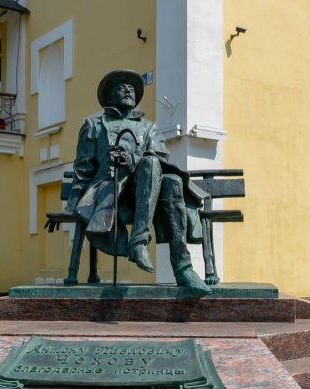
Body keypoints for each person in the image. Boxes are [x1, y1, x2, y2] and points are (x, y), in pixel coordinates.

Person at [65, 69, 213, 297]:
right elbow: (83, 167)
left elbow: (161, 158)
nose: (128, 90)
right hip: (110, 191)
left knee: (169, 178)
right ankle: (141, 243)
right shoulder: (94, 124)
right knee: (153, 165)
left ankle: (182, 266)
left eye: (132, 88)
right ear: (110, 97)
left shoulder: (149, 127)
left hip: (146, 192)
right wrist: (74, 203)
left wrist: (132, 160)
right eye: (121, 87)